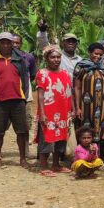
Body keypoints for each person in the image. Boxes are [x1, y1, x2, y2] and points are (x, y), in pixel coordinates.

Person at [0, 33, 31, 169]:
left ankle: (23, 159)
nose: (5, 45)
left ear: (12, 44)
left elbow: (25, 79)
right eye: (2, 42)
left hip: (18, 100)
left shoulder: (20, 60)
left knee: (21, 131)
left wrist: (24, 96)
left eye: (8, 43)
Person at [35, 45, 74, 176]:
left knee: (61, 138)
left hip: (64, 112)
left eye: (58, 57)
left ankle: (56, 164)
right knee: (46, 138)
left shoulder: (65, 74)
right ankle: (44, 166)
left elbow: (69, 92)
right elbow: (40, 95)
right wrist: (42, 113)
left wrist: (72, 109)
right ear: (47, 59)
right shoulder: (42, 74)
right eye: (52, 57)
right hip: (48, 112)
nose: (56, 60)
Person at [74, 43, 104, 160]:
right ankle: (82, 158)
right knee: (85, 133)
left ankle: (97, 158)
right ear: (90, 53)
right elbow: (77, 88)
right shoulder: (81, 66)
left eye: (100, 55)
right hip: (85, 107)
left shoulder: (103, 69)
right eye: (95, 53)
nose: (98, 56)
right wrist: (77, 108)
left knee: (100, 133)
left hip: (100, 108)